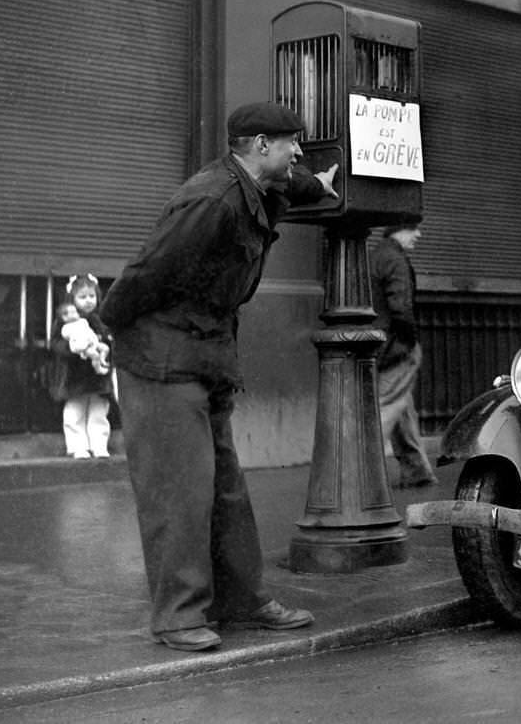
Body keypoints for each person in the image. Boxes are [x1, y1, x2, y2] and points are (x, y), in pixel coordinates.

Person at [100, 102, 339, 652]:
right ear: (259, 145)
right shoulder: (212, 199)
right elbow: (146, 273)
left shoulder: (259, 184)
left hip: (206, 355)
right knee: (178, 493)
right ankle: (178, 616)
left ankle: (240, 601)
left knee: (225, 491)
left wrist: (321, 185)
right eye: (290, 143)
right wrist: (116, 338)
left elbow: (297, 182)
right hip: (161, 358)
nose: (298, 152)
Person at [369, 215, 436, 489]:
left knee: (402, 407)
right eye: (413, 229)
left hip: (379, 344)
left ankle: (416, 469)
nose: (417, 235)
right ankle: (364, 474)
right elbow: (401, 308)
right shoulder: (395, 259)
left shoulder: (375, 255)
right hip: (397, 346)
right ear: (400, 230)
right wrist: (411, 342)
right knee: (388, 407)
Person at [50, 274, 115, 459]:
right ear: (72, 299)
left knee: (99, 411)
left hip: (98, 374)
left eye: (92, 296)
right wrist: (72, 350)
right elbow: (56, 343)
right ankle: (77, 446)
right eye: (83, 297)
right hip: (75, 373)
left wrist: (106, 348)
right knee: (75, 410)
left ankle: (99, 445)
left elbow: (109, 341)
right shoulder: (66, 321)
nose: (88, 301)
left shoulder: (100, 320)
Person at [58, 300, 111, 375]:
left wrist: (95, 337)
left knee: (105, 348)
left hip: (92, 342)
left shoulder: (83, 321)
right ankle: (98, 368)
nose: (76, 314)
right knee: (94, 355)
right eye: (73, 313)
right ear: (65, 318)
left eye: (76, 311)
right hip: (81, 346)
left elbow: (89, 330)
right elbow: (66, 336)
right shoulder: (66, 327)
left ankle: (102, 360)